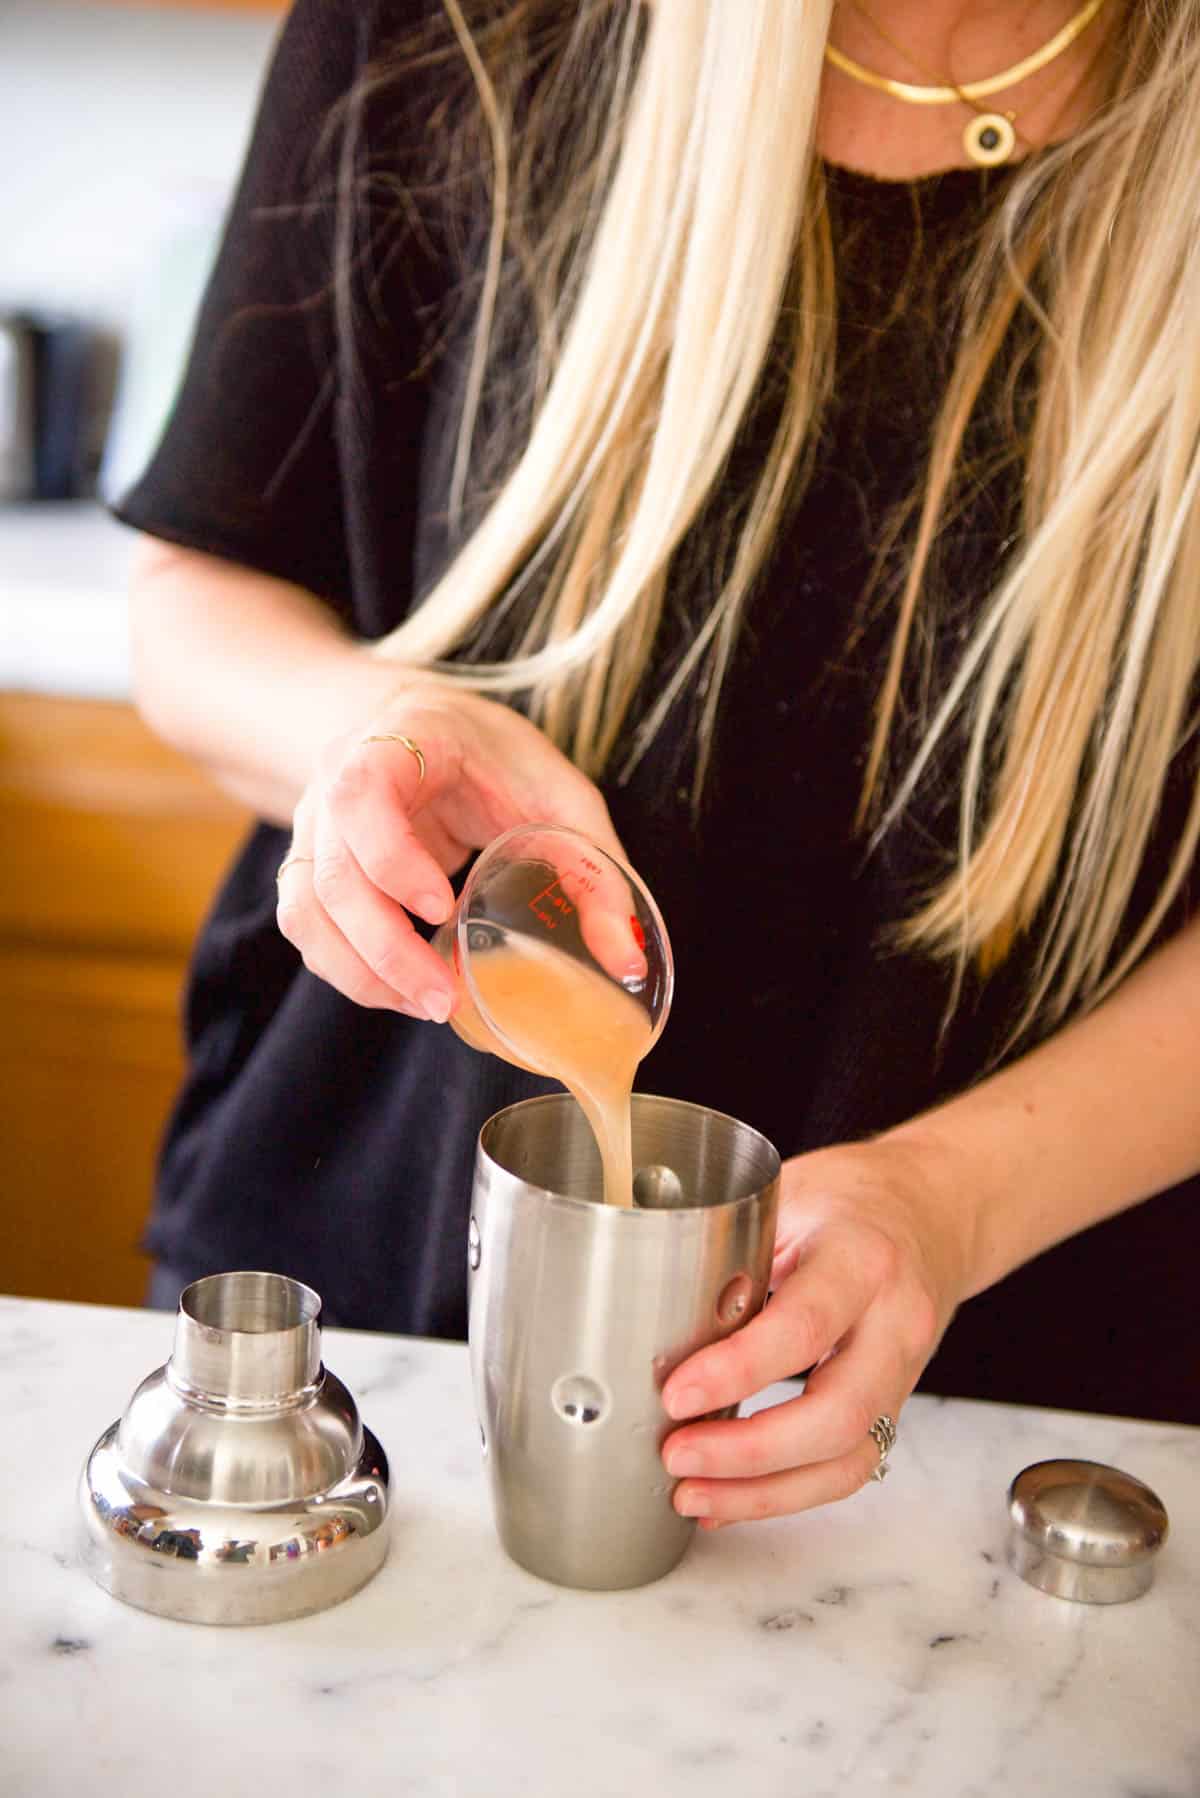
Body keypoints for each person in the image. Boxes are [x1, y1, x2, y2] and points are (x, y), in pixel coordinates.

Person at [118, 0, 1200, 1531]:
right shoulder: (463, 35)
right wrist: (363, 734)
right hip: (359, 1358)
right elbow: (192, 604)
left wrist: (949, 1204)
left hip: (998, 1428)